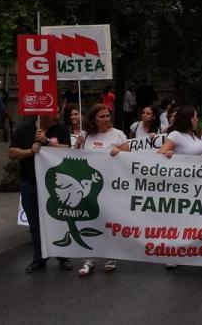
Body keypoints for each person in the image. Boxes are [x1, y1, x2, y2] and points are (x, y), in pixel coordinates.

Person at [9, 112, 72, 273]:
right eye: (54, 113)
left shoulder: (62, 130)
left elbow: (67, 150)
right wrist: (30, 151)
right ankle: (39, 258)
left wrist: (47, 142)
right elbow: (12, 153)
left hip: (56, 188)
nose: (58, 115)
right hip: (30, 184)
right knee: (35, 224)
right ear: (42, 115)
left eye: (58, 111)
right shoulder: (23, 130)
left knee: (57, 220)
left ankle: (62, 257)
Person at [75, 104, 130, 275]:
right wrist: (77, 145)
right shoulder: (85, 135)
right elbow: (75, 158)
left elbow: (130, 159)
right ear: (93, 119)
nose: (106, 119)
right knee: (90, 222)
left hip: (112, 187)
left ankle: (111, 256)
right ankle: (88, 260)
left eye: (107, 116)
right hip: (89, 188)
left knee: (109, 222)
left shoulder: (118, 135)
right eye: (101, 116)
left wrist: (119, 152)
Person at [157, 106, 202, 270]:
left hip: (196, 185)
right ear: (189, 118)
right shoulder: (175, 135)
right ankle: (170, 254)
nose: (198, 119)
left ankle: (186, 250)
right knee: (176, 220)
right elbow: (160, 154)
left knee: (190, 219)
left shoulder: (195, 136)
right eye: (196, 116)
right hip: (180, 185)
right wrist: (167, 155)